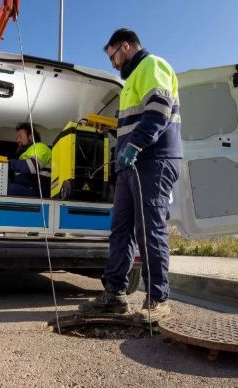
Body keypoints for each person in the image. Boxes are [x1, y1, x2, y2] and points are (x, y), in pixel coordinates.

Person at [79, 29, 183, 322]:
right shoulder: (130, 83)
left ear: (125, 46)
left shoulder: (152, 66)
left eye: (113, 56)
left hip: (153, 159)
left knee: (149, 229)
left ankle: (158, 298)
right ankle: (115, 295)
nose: (113, 63)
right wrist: (113, 130)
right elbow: (136, 120)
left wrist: (135, 144)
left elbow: (159, 109)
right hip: (132, 163)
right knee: (120, 231)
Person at [7, 122, 52, 197]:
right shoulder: (26, 153)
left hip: (38, 193)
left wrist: (10, 163)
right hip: (29, 189)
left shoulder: (40, 147)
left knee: (8, 189)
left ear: (31, 137)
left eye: (20, 137)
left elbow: (33, 166)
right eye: (17, 138)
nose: (17, 140)